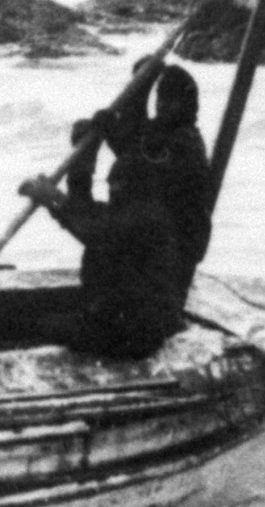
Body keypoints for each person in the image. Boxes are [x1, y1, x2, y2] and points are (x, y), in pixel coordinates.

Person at [18, 122, 186, 362]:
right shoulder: (136, 210)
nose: (112, 191)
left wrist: (54, 201)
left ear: (133, 188)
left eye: (118, 187)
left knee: (41, 327)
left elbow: (93, 231)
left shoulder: (143, 220)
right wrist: (84, 158)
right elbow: (86, 211)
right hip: (121, 320)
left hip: (131, 333)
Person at [101, 58, 213, 298]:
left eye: (171, 100)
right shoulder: (163, 131)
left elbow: (138, 160)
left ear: (186, 104)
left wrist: (113, 132)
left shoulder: (185, 141)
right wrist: (141, 83)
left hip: (177, 244)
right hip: (159, 239)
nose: (163, 106)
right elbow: (136, 133)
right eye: (161, 99)